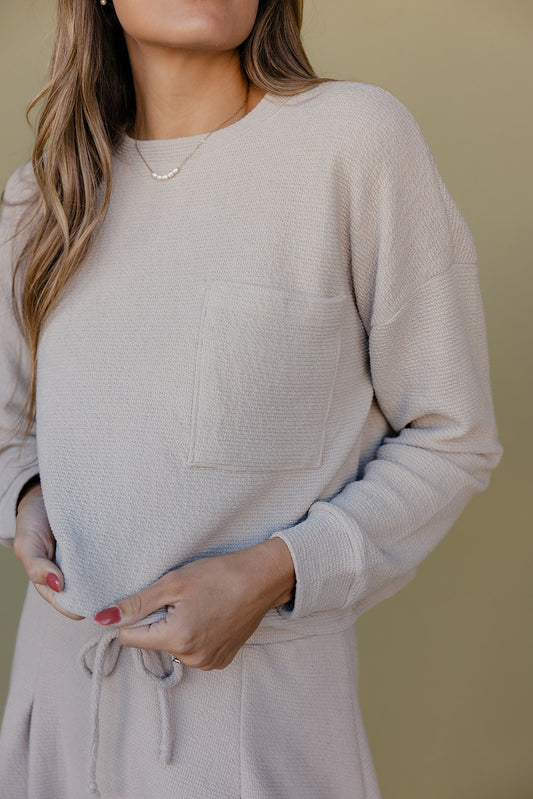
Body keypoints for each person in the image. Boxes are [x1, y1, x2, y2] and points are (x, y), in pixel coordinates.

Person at [0, 1, 503, 797]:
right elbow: (10, 424)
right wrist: (24, 495)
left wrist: (274, 572)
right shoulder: (45, 199)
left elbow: (452, 435)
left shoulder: (351, 142)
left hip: (251, 729)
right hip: (58, 710)